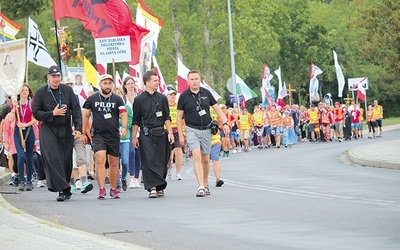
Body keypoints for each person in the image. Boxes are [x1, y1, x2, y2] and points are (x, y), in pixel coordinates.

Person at [33, 65, 82, 202]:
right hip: (48, 128)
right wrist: (52, 113)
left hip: (65, 129)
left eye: (58, 76)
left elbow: (76, 110)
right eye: (53, 76)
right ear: (48, 77)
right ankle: (62, 188)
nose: (56, 79)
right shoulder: (41, 92)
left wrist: (78, 127)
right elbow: (36, 113)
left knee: (66, 160)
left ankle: (66, 188)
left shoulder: (67, 90)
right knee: (53, 158)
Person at [177, 70, 229, 197]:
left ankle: (205, 184)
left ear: (200, 80)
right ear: (188, 81)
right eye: (192, 79)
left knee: (206, 159)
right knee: (196, 155)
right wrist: (180, 134)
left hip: (206, 129)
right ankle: (200, 186)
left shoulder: (206, 93)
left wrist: (225, 122)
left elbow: (217, 108)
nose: (194, 81)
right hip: (191, 129)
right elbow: (179, 117)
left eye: (196, 79)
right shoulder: (184, 96)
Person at [81, 74, 128, 199]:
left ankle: (113, 188)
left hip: (113, 135)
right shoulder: (92, 99)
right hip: (98, 134)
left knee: (114, 162)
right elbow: (85, 115)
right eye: (105, 83)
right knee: (100, 159)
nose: (108, 86)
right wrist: (83, 132)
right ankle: (101, 189)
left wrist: (123, 127)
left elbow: (124, 114)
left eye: (110, 83)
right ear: (100, 84)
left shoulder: (117, 99)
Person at [132, 71, 174, 198]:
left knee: (161, 159)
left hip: (160, 132)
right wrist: (134, 137)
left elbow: (166, 117)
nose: (157, 83)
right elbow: (136, 120)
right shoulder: (139, 100)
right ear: (147, 82)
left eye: (158, 80)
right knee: (149, 159)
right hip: (145, 133)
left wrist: (170, 132)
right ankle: (152, 187)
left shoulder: (162, 98)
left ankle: (160, 186)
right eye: (155, 80)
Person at [62, 77, 93, 194]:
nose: (69, 86)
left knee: (81, 156)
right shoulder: (60, 98)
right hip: (65, 132)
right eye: (67, 84)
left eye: (71, 84)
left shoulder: (78, 98)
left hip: (77, 131)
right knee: (69, 159)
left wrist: (80, 130)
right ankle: (72, 183)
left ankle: (84, 181)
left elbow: (82, 115)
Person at [9, 84, 37, 191]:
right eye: (22, 90)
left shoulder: (31, 104)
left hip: (28, 130)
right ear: (19, 92)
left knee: (29, 157)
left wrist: (25, 125)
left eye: (26, 90)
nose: (24, 92)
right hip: (18, 131)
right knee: (20, 156)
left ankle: (29, 181)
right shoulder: (17, 105)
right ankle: (21, 180)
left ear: (28, 92)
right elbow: (11, 119)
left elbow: (35, 119)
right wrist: (14, 107)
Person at [122, 76, 142, 189]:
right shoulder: (123, 99)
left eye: (132, 83)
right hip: (128, 127)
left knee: (138, 153)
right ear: (125, 85)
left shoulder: (139, 97)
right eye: (128, 83)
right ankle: (131, 177)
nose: (131, 85)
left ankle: (136, 178)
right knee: (131, 152)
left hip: (138, 127)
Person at [167, 86, 184, 180]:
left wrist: (183, 132)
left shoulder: (178, 107)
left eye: (174, 95)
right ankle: (169, 167)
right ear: (167, 96)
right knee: (169, 154)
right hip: (167, 131)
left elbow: (183, 119)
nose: (172, 97)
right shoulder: (164, 106)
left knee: (178, 151)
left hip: (177, 131)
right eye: (170, 95)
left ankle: (178, 173)